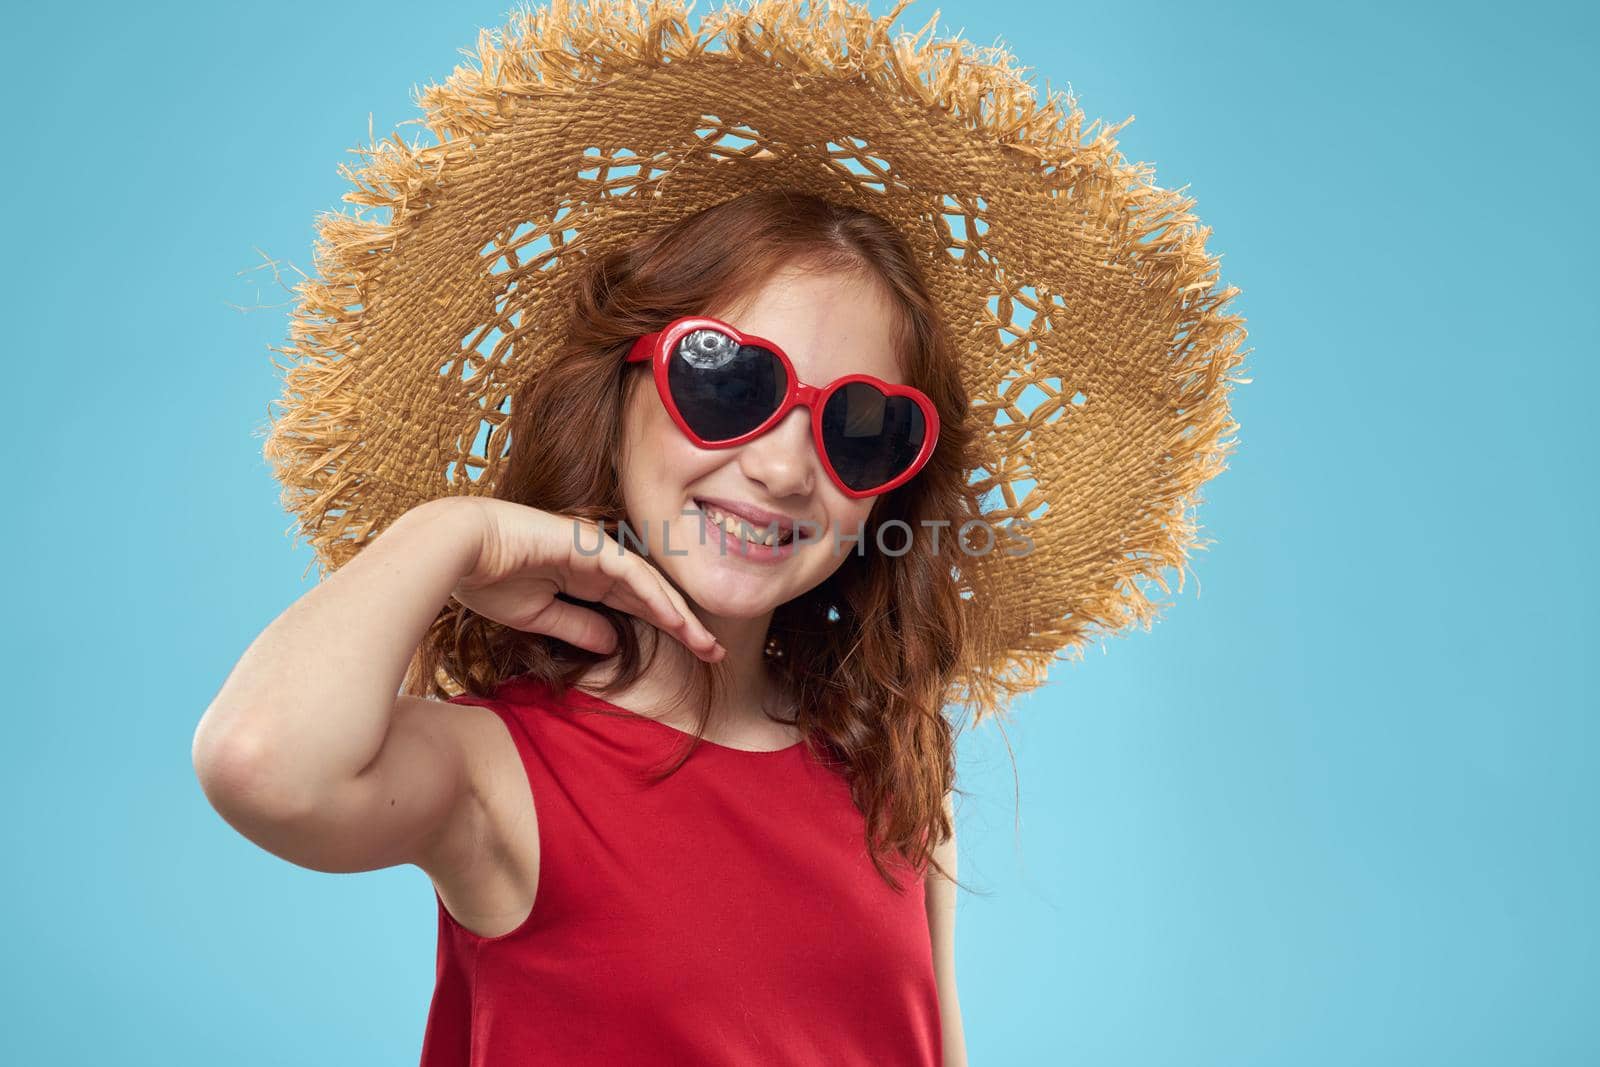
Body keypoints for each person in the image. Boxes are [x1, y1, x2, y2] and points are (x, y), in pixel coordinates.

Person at [192, 0, 1246, 1063]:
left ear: (888, 491)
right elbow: (259, 763)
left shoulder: (889, 773)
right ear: (615, 396)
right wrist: (452, 533)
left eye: (860, 427)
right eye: (730, 380)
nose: (785, 467)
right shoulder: (498, 770)